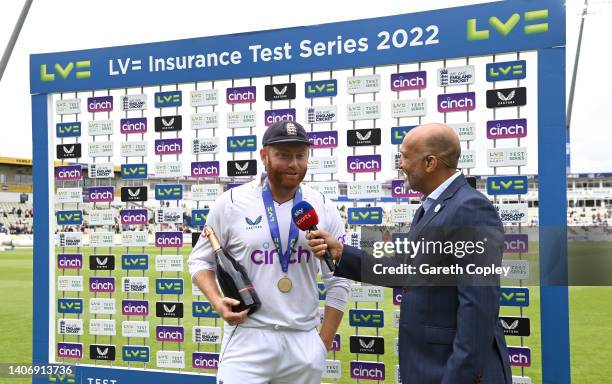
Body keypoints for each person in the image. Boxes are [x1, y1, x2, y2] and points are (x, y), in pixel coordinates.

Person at [308, 123, 512, 384]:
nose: (400, 164)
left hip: (452, 371)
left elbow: (478, 307)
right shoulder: (429, 208)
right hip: (428, 367)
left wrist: (457, 377)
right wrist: (340, 252)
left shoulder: (470, 208)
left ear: (430, 162)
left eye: (404, 156)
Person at [188, 120, 350, 383]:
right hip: (248, 338)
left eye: (300, 155)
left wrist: (322, 344)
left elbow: (339, 279)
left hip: (303, 342)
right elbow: (200, 261)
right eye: (283, 155)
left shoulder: (323, 206)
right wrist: (217, 302)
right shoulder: (229, 203)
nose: (294, 164)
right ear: (264, 155)